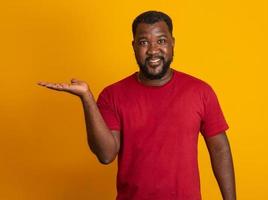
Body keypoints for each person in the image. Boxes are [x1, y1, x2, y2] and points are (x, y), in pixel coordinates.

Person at [38, 11, 236, 200]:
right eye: (144, 42)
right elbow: (106, 155)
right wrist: (87, 99)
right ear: (133, 46)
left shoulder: (200, 91)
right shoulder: (112, 95)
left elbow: (220, 150)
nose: (153, 50)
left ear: (173, 43)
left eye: (161, 41)